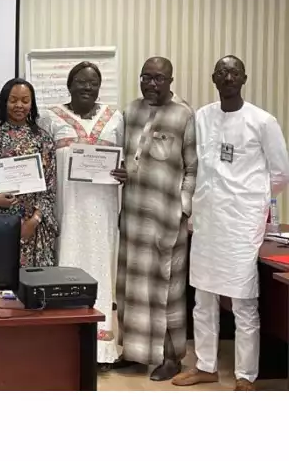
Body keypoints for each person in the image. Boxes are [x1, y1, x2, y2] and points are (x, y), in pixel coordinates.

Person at [173, 56, 289, 391]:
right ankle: (206, 366)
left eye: (234, 72)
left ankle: (245, 375)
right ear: (213, 78)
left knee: (243, 301)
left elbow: (280, 173)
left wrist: (251, 202)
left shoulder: (262, 121)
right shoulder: (203, 116)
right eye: (222, 72)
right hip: (207, 222)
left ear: (244, 78)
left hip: (240, 223)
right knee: (203, 298)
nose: (228, 77)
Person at [115, 57, 197, 381]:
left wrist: (184, 208)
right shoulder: (130, 111)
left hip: (167, 217)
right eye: (145, 77)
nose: (151, 84)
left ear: (171, 80)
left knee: (167, 289)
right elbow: (125, 157)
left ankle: (171, 357)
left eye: (158, 79)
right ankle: (135, 352)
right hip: (134, 214)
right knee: (131, 286)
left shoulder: (184, 115)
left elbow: (192, 167)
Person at [37, 62, 124, 366]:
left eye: (93, 83)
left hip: (104, 210)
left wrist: (125, 171)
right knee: (68, 266)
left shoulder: (115, 118)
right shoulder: (49, 117)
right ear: (69, 85)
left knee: (102, 270)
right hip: (68, 212)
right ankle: (66, 347)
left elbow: (126, 157)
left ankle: (101, 350)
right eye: (81, 82)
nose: (87, 88)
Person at [0, 78, 57, 267]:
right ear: (4, 101)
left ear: (32, 104)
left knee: (29, 288)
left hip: (31, 229)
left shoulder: (42, 139)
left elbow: (50, 186)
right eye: (13, 100)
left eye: (25, 100)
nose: (19, 105)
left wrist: (34, 221)